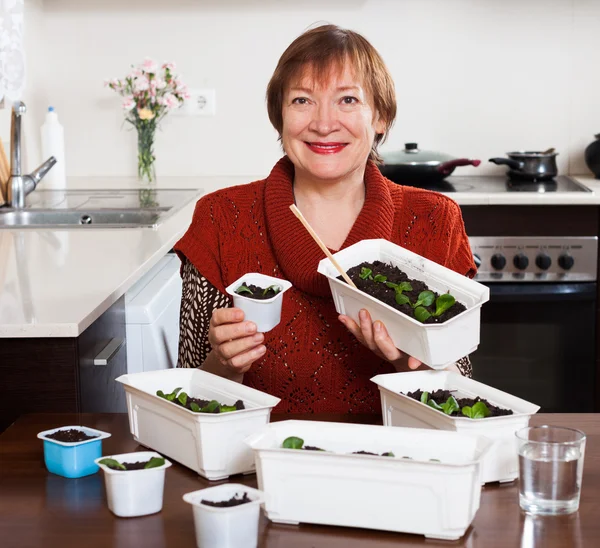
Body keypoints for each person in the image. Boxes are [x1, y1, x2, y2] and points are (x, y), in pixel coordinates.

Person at [174, 24, 476, 414]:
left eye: (347, 99)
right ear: (279, 116)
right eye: (302, 101)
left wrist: (407, 362)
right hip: (256, 467)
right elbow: (186, 396)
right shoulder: (220, 218)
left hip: (397, 465)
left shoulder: (435, 220)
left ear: (380, 117)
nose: (323, 122)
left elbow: (464, 397)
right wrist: (224, 365)